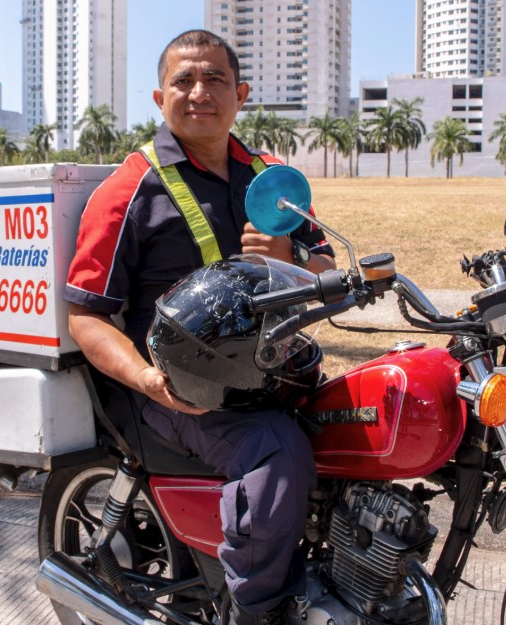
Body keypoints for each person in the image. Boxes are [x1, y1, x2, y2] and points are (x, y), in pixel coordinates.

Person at [63, 30, 336, 625]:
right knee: (275, 451)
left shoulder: (272, 179)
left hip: (265, 369)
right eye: (183, 80)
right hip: (170, 389)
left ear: (239, 94)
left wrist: (293, 260)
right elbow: (85, 315)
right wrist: (147, 379)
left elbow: (326, 265)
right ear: (160, 98)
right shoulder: (129, 190)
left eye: (214, 79)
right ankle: (257, 611)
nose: (198, 92)